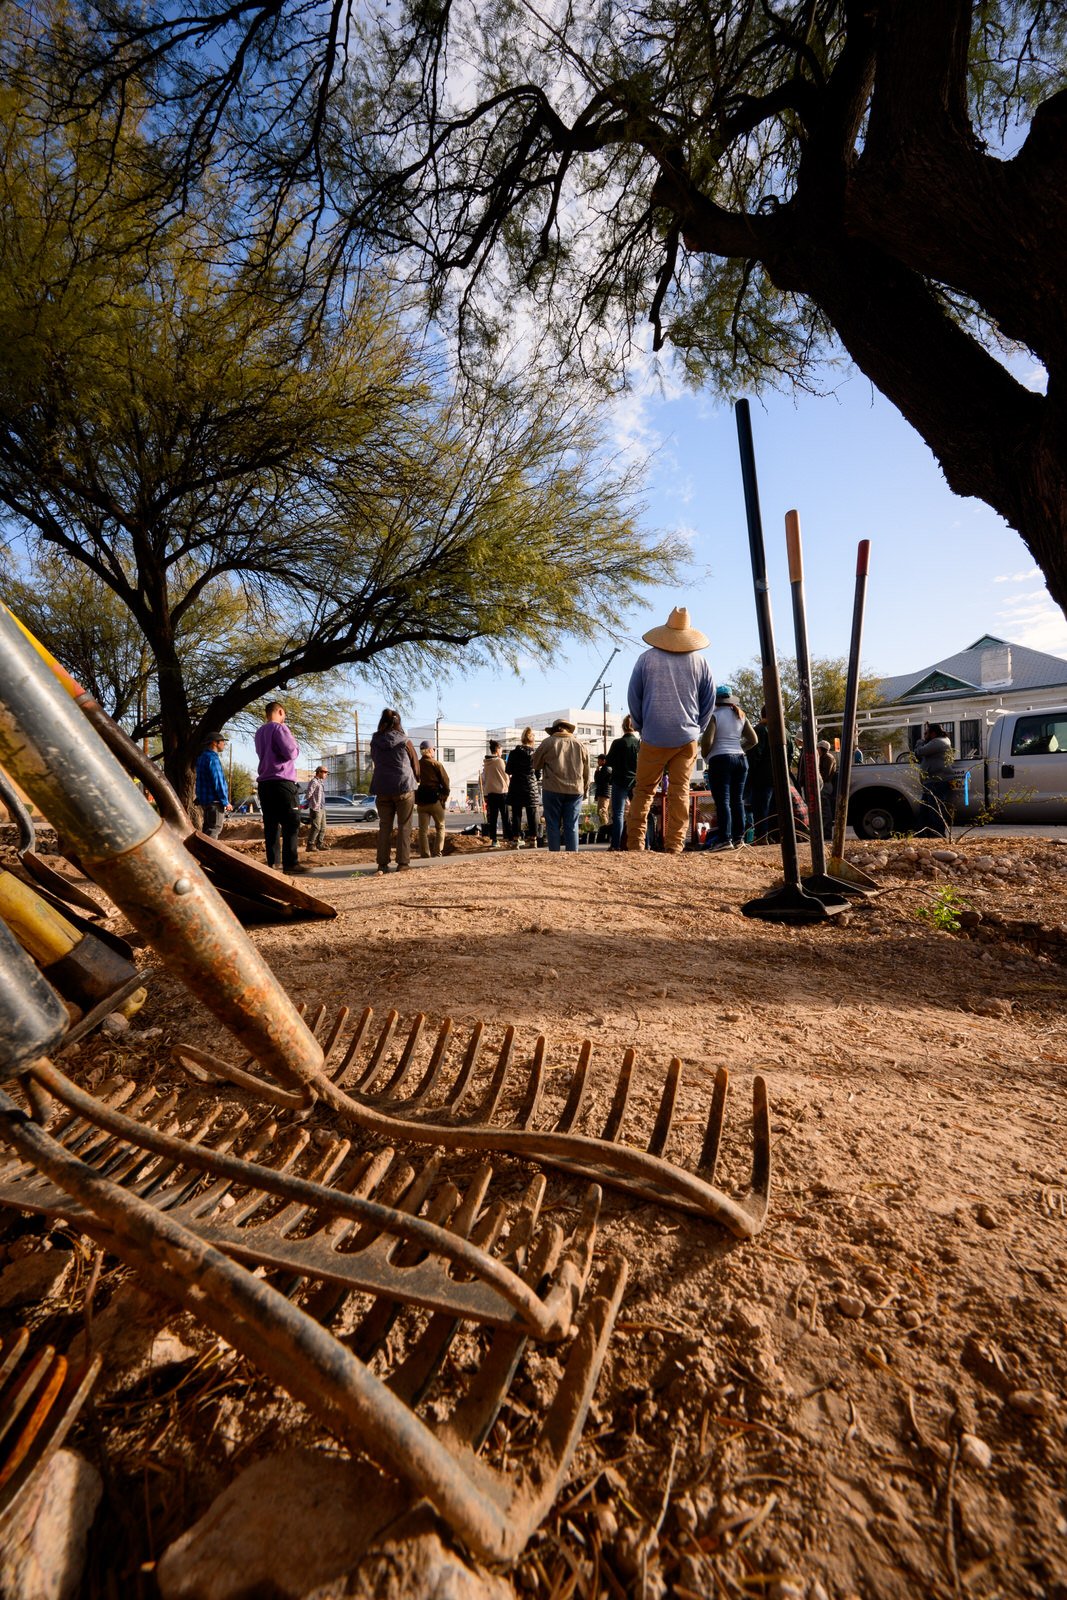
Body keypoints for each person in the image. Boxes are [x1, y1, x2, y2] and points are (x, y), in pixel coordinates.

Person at [625, 606, 715, 854]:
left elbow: (634, 697)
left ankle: (635, 845)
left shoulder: (646, 659)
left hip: (653, 735)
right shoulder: (700, 662)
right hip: (686, 738)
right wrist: (698, 729)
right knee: (680, 791)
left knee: (643, 790)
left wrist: (641, 726)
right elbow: (708, 702)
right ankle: (675, 845)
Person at [701, 686, 757, 850]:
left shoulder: (715, 715)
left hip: (720, 760)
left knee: (723, 802)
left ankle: (725, 839)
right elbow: (753, 740)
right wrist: (739, 748)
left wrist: (706, 755)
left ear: (716, 701)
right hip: (740, 760)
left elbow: (706, 742)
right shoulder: (741, 715)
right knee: (737, 801)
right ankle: (739, 838)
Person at [254, 702, 306, 874]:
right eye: (284, 714)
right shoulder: (280, 728)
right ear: (280, 711)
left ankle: (274, 864)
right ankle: (291, 864)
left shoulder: (260, 732)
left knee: (271, 824)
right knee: (291, 822)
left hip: (264, 784)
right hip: (282, 782)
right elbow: (291, 753)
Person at [369, 709, 420, 872]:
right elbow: (415, 765)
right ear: (398, 722)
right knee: (404, 825)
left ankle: (382, 864)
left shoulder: (375, 740)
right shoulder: (405, 741)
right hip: (404, 787)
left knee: (384, 826)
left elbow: (375, 759)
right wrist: (417, 779)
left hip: (382, 788)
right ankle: (403, 863)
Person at [532, 719, 589, 852]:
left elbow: (536, 764)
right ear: (568, 729)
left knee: (552, 825)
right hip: (575, 790)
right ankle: (572, 856)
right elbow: (586, 772)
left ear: (555, 730)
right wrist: (584, 790)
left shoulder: (548, 742)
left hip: (552, 789)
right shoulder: (579, 744)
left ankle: (555, 856)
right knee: (572, 825)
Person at [747, 705, 797, 845]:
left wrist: (750, 774)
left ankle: (762, 836)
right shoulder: (786, 732)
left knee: (761, 808)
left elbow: (754, 754)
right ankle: (777, 836)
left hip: (762, 778)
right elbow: (791, 754)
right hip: (780, 778)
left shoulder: (760, 730)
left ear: (762, 714)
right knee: (777, 809)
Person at [605, 715, 640, 850]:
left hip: (619, 780)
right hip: (636, 781)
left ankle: (615, 845)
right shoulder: (639, 743)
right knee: (639, 813)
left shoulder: (617, 743)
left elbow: (609, 762)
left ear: (623, 727)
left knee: (618, 814)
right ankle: (643, 843)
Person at [915, 722, 955, 839]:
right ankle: (923, 834)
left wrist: (919, 742)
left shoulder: (938, 742)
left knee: (935, 811)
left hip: (937, 781)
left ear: (932, 733)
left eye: (926, 733)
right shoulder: (939, 741)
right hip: (931, 781)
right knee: (926, 810)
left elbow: (919, 752)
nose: (924, 735)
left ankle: (938, 834)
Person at [415, 740, 451, 858]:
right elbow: (446, 782)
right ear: (430, 750)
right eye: (434, 749)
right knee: (440, 826)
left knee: (423, 830)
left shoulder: (416, 765)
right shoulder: (436, 764)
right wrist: (444, 797)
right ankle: (437, 853)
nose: (434, 751)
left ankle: (425, 854)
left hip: (421, 801)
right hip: (435, 799)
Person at [195, 731, 232, 839]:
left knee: (207, 830)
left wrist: (199, 797)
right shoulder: (213, 758)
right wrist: (225, 801)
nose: (224, 744)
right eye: (222, 742)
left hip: (205, 802)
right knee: (214, 829)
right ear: (215, 743)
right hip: (215, 802)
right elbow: (218, 781)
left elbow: (199, 780)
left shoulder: (202, 757)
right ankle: (207, 854)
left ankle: (200, 853)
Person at [506, 727, 540, 844]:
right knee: (533, 813)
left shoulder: (513, 753)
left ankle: (516, 839)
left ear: (522, 739)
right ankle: (533, 839)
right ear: (531, 740)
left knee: (516, 813)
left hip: (516, 786)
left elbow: (508, 770)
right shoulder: (535, 754)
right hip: (531, 786)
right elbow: (538, 773)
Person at [481, 740, 510, 845]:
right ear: (497, 750)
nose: (501, 752)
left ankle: (494, 840)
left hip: (491, 793)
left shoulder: (486, 762)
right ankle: (510, 838)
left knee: (493, 818)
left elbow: (483, 778)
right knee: (505, 817)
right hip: (502, 792)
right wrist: (508, 785)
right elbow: (506, 775)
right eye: (501, 750)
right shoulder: (500, 761)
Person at [304, 765, 329, 851]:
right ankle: (310, 845)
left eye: (326, 773)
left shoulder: (321, 782)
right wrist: (308, 804)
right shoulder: (314, 782)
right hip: (316, 808)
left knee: (323, 827)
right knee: (316, 827)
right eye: (325, 772)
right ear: (319, 772)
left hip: (322, 807)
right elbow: (308, 795)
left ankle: (320, 844)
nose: (326, 774)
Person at [592, 753, 612, 831]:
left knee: (602, 812)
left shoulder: (605, 769)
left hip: (604, 793)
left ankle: (605, 828)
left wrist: (597, 771)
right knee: (603, 812)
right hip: (604, 793)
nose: (598, 761)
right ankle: (604, 827)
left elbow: (598, 780)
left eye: (599, 760)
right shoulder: (607, 768)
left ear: (603, 760)